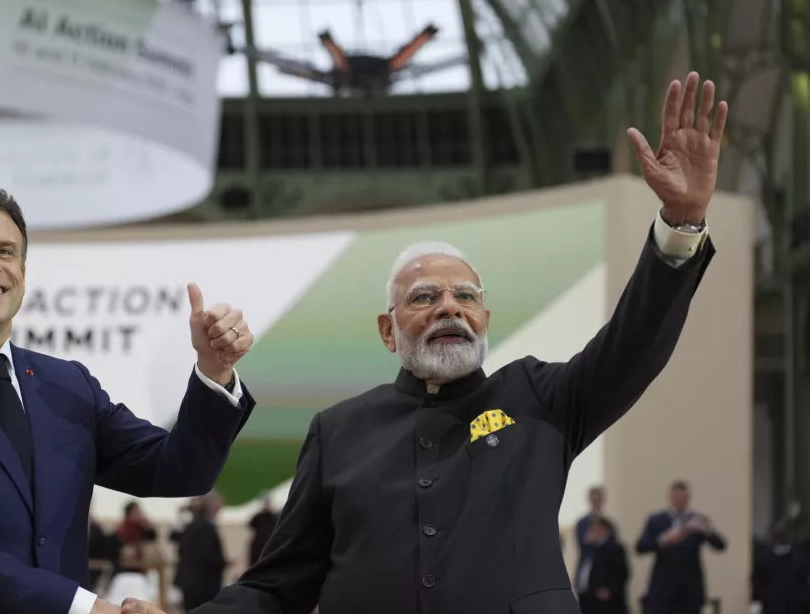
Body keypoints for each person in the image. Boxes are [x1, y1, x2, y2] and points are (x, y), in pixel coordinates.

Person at [121, 71, 728, 614]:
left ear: (485, 317)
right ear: (388, 330)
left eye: (465, 297)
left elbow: (635, 344)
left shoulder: (541, 396)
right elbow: (278, 586)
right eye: (423, 297)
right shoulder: (337, 433)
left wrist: (681, 224)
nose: (448, 308)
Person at [0, 184, 256, 614]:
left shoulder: (68, 384)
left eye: (5, 251)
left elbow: (181, 472)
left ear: (21, 272)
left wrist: (214, 369)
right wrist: (85, 608)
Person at [636, 481, 727, 614]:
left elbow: (721, 545)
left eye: (683, 497)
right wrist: (663, 540)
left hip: (690, 589)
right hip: (663, 589)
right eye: (677, 497)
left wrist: (707, 530)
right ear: (670, 497)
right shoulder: (656, 520)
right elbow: (640, 547)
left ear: (688, 498)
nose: (680, 500)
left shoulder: (697, 520)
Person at [174, 491, 228, 610]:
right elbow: (206, 554)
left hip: (191, 581)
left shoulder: (195, 523)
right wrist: (224, 562)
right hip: (202, 583)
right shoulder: (204, 526)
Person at [752, 520, 810, 614]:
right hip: (771, 606)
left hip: (795, 607)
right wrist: (756, 603)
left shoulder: (800, 557)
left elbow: (806, 580)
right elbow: (757, 581)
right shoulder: (763, 558)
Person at [576, 517, 629, 614]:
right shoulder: (592, 548)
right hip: (589, 600)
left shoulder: (614, 548)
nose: (590, 532)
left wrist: (609, 590)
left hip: (607, 603)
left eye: (593, 529)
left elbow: (623, 573)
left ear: (603, 530)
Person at [576, 487, 618, 591]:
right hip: (587, 569)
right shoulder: (582, 523)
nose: (596, 502)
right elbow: (580, 545)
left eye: (598, 499)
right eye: (594, 499)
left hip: (604, 571)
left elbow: (614, 546)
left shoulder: (609, 523)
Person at [247, 496, 279, 567]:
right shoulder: (258, 517)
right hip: (258, 547)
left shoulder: (274, 517)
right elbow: (251, 525)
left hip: (270, 546)